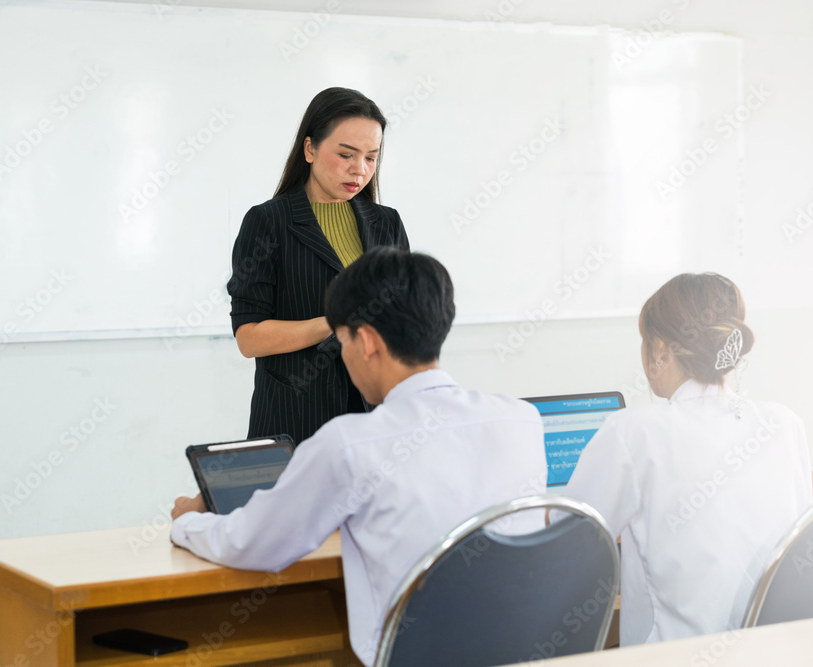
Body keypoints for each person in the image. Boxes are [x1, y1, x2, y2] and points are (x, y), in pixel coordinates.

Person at [172, 248, 547, 665]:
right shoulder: (522, 420)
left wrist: (188, 521)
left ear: (366, 341)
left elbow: (253, 543)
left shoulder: (351, 443)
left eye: (343, 339)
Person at [562, 272, 812, 646]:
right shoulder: (783, 422)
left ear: (660, 348)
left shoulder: (635, 430)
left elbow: (568, 539)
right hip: (774, 651)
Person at [228, 87, 410, 444]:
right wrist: (335, 324)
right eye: (346, 155)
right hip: (294, 419)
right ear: (310, 149)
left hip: (373, 419)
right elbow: (249, 338)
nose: (360, 170)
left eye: (371, 158)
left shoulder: (386, 223)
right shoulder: (269, 222)